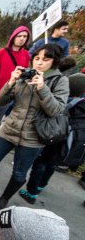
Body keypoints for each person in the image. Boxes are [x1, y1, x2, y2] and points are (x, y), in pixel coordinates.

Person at [0, 44, 69, 211]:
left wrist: (42, 88)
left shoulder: (60, 81)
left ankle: (4, 198)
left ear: (54, 62)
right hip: (9, 130)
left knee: (19, 173)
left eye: (45, 59)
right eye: (37, 58)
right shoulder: (25, 75)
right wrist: (11, 81)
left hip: (33, 137)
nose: (40, 63)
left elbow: (55, 110)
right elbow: (0, 102)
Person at [20, 73, 85, 204]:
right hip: (68, 143)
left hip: (55, 137)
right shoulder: (82, 105)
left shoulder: (68, 103)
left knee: (41, 163)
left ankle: (31, 193)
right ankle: (41, 186)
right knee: (52, 164)